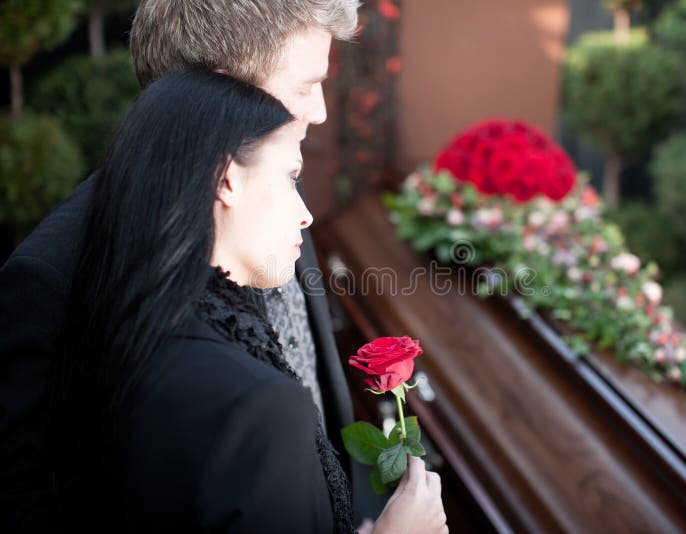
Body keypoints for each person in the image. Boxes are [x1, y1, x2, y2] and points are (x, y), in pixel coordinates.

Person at [0, 0, 439, 532]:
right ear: (224, 91)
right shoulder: (49, 275)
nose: (319, 110)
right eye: (304, 86)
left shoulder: (273, 187)